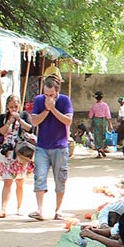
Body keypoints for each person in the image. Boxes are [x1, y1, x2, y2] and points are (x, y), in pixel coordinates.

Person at [30, 74, 73, 221]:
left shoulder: (65, 100)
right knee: (39, 176)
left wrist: (53, 109)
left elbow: (68, 121)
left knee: (60, 179)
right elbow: (34, 122)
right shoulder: (38, 101)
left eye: (51, 94)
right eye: (46, 94)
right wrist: (47, 110)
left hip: (60, 146)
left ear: (57, 90)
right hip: (42, 146)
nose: (48, 97)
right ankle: (39, 210)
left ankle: (58, 210)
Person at [0, 95, 34, 218]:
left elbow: (31, 129)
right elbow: (0, 132)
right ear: (7, 107)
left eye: (16, 107)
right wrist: (9, 122)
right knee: (7, 181)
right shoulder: (3, 117)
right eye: (11, 107)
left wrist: (20, 121)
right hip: (7, 153)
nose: (14, 109)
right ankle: (3, 208)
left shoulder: (24, 115)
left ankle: (19, 207)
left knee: (20, 182)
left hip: (20, 152)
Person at [88, 91, 113, 158]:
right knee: (104, 135)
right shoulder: (105, 105)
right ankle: (102, 148)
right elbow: (108, 116)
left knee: (97, 136)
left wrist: (91, 125)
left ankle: (99, 152)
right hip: (103, 121)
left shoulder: (94, 106)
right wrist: (110, 124)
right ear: (102, 97)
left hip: (96, 121)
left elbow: (90, 116)